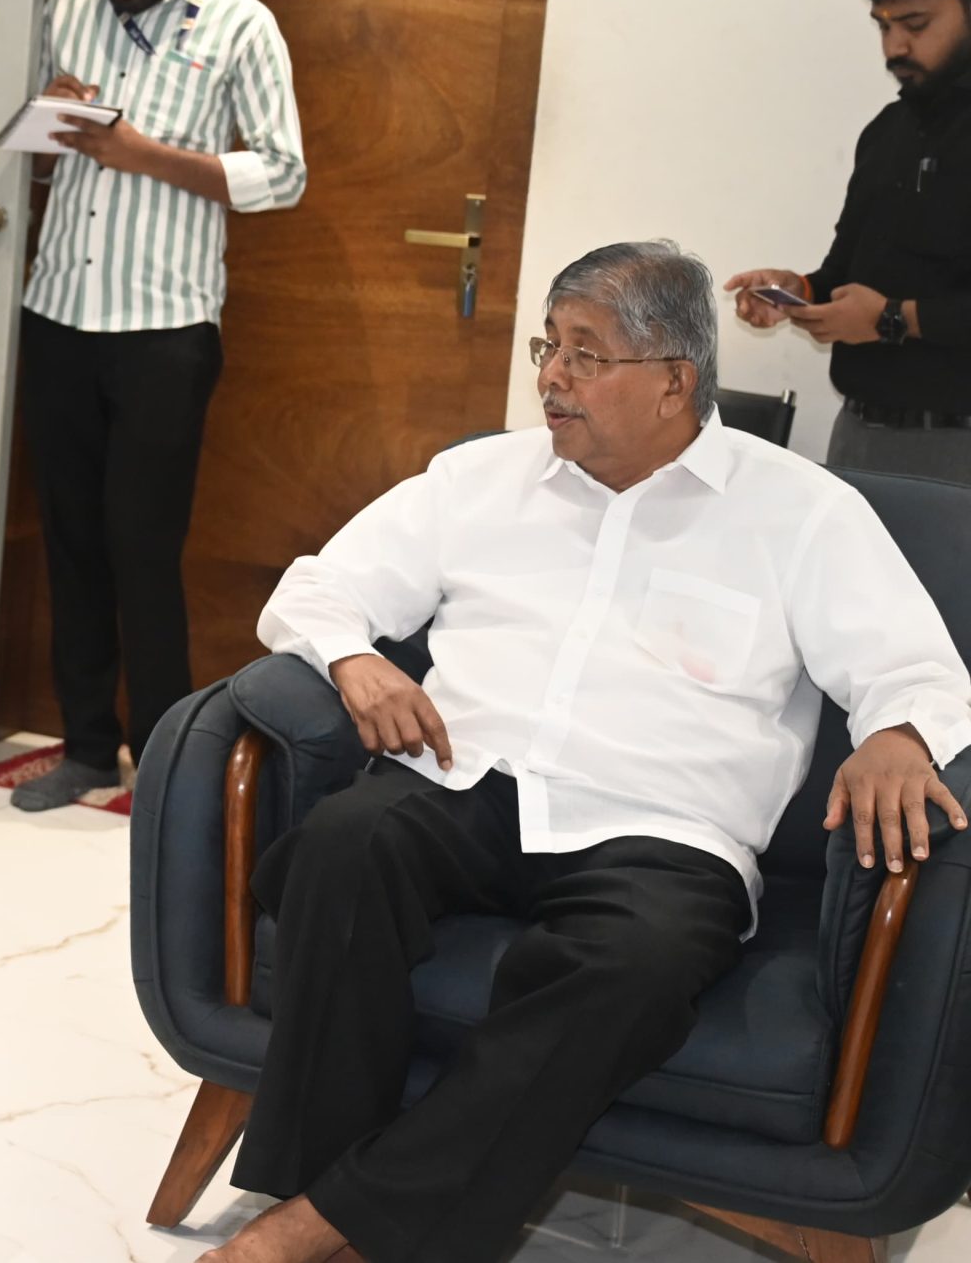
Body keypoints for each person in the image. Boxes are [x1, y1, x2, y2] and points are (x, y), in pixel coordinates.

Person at [208, 241, 971, 1263]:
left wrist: (896, 734)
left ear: (674, 382)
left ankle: (314, 1225)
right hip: (466, 779)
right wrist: (355, 661)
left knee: (637, 966)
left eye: (585, 352)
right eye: (549, 346)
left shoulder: (801, 511)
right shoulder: (479, 476)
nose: (552, 377)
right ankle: (335, 1201)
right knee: (343, 845)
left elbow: (917, 668)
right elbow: (316, 587)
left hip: (667, 832)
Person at [10, 0, 308, 815]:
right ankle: (86, 748)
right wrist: (51, 121)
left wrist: (144, 154)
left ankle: (168, 766)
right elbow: (40, 156)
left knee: (142, 546)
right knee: (70, 542)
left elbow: (285, 173)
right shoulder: (68, 6)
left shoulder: (240, 24)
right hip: (59, 310)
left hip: (164, 327)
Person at [727, 0, 971, 483]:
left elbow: (887, 309)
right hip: (857, 434)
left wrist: (889, 320)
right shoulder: (886, 133)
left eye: (915, 24)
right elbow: (844, 272)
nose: (894, 47)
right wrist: (799, 292)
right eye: (882, 26)